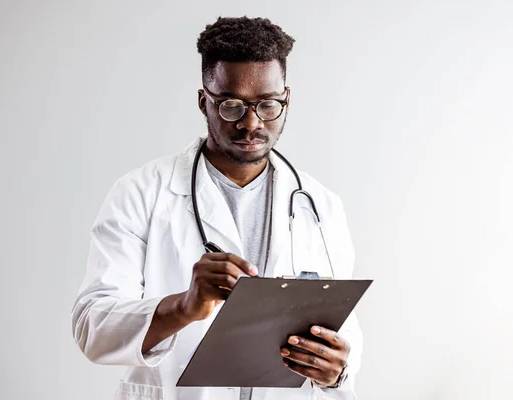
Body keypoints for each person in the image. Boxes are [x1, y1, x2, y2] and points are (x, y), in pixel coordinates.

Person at [71, 16, 363, 400]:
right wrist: (184, 306)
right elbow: (92, 327)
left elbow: (345, 334)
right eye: (230, 105)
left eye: (267, 104)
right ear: (203, 101)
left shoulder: (320, 205)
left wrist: (336, 371)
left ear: (286, 99)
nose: (250, 123)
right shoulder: (141, 193)